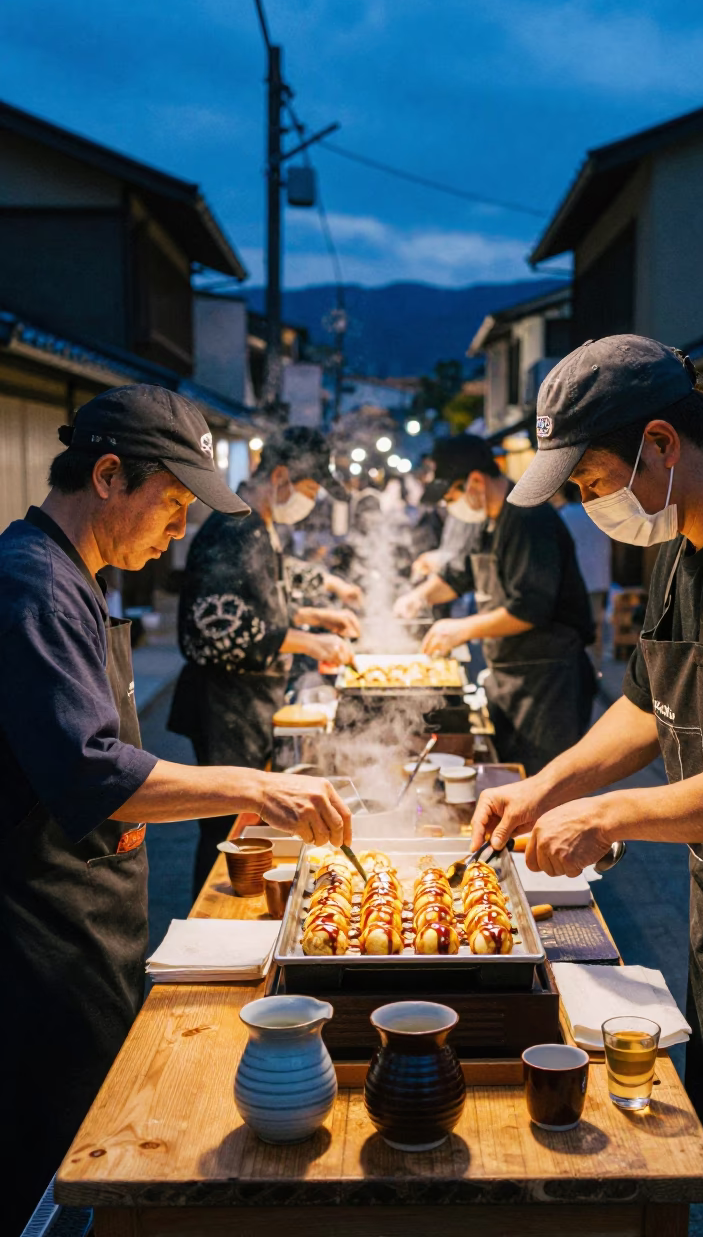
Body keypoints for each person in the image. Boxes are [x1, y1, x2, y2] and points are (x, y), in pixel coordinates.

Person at [470, 335, 703, 1237]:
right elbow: (644, 705)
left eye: (592, 482)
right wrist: (546, 787)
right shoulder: (679, 542)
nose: (591, 505)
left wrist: (608, 813)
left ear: (661, 445)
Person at [0, 386, 351, 1233]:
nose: (181, 528)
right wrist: (253, 785)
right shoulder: (33, 586)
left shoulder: (79, 576)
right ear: (111, 475)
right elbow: (92, 772)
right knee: (63, 1167)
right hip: (41, 929)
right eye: (174, 502)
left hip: (91, 909)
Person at [168, 428, 358, 898]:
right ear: (279, 476)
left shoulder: (259, 522)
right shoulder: (236, 524)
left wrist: (313, 614)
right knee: (226, 833)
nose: (311, 503)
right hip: (224, 704)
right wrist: (308, 643)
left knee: (239, 821)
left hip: (247, 702)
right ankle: (213, 926)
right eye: (311, 490)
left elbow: (258, 602)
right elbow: (214, 629)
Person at [393, 435, 596, 774]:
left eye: (450, 497)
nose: (448, 507)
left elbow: (530, 607)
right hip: (508, 676)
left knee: (543, 783)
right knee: (509, 775)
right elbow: (459, 576)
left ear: (474, 481)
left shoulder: (529, 517)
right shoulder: (484, 517)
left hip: (548, 682)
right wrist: (419, 597)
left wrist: (460, 629)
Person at [557, 480, 611, 670]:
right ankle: (596, 667)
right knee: (596, 625)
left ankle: (580, 668)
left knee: (576, 625)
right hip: (599, 577)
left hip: (577, 580)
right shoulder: (597, 513)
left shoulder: (564, 515)